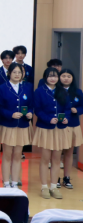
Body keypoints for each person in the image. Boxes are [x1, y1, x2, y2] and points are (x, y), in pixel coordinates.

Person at [33, 67, 71, 200]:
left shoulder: (63, 91)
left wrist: (66, 118)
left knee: (56, 159)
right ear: (45, 77)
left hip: (59, 129)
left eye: (55, 76)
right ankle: (44, 186)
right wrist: (48, 119)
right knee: (45, 159)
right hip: (45, 128)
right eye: (50, 76)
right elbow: (37, 110)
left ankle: (54, 187)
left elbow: (67, 108)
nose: (52, 78)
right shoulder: (39, 91)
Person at [0, 63, 33, 188]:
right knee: (7, 154)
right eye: (14, 72)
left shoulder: (27, 87)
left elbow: (31, 105)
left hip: (22, 125)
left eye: (19, 72)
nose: (17, 74)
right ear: (9, 73)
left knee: (17, 155)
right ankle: (6, 182)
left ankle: (15, 182)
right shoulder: (1, 88)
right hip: (7, 125)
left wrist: (30, 113)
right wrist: (10, 114)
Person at [60, 69, 82, 190]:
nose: (66, 78)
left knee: (69, 153)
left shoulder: (78, 92)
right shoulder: (56, 91)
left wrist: (77, 110)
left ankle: (66, 178)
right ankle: (55, 178)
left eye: (69, 76)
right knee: (57, 153)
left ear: (72, 78)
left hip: (73, 124)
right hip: (60, 125)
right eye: (63, 76)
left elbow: (82, 107)